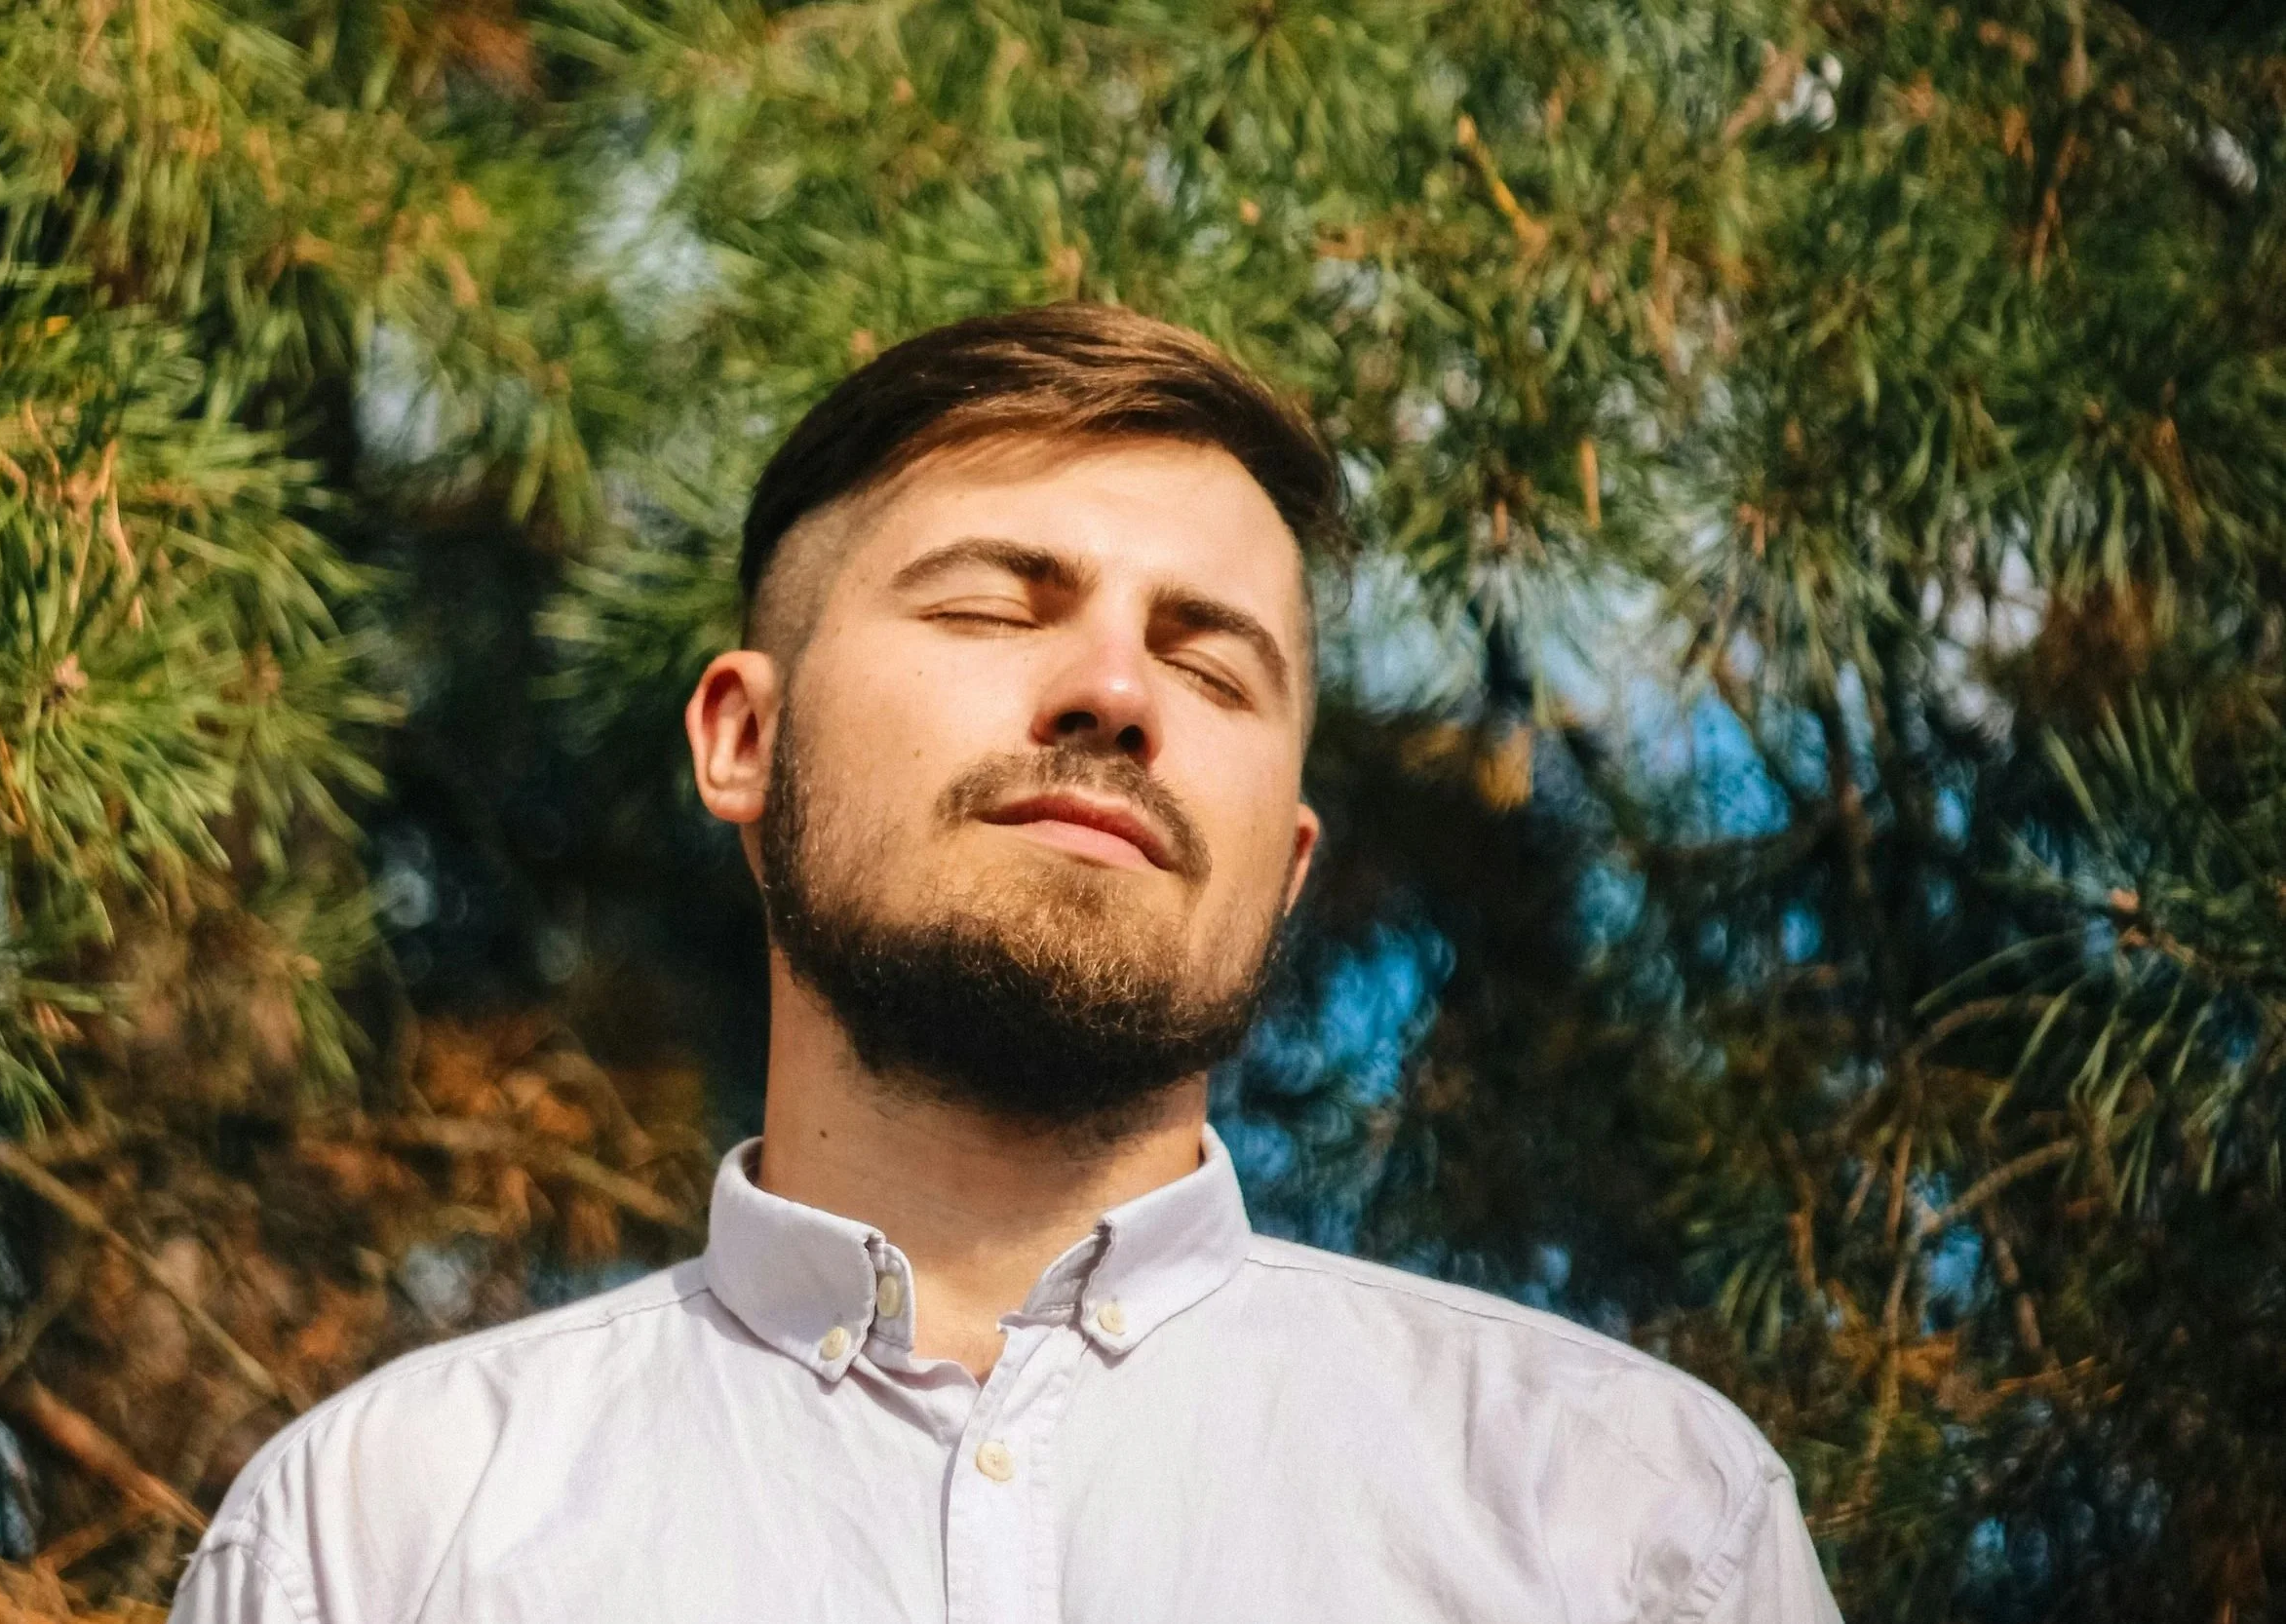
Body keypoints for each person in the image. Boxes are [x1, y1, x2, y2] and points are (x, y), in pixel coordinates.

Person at [168, 304, 1841, 1624]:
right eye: (990, 606)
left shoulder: (1629, 1527)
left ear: (1285, 872)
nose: (1114, 691)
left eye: (1212, 664)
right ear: (744, 737)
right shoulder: (374, 1544)